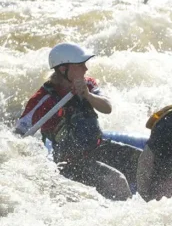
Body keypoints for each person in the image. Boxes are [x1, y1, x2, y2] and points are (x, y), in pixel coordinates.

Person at [15, 43, 138, 200]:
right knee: (116, 181)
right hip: (70, 163)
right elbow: (19, 134)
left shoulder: (88, 84)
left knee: (146, 162)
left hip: (98, 147)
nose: (86, 68)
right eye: (80, 65)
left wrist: (87, 95)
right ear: (63, 69)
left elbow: (107, 107)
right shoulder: (43, 98)